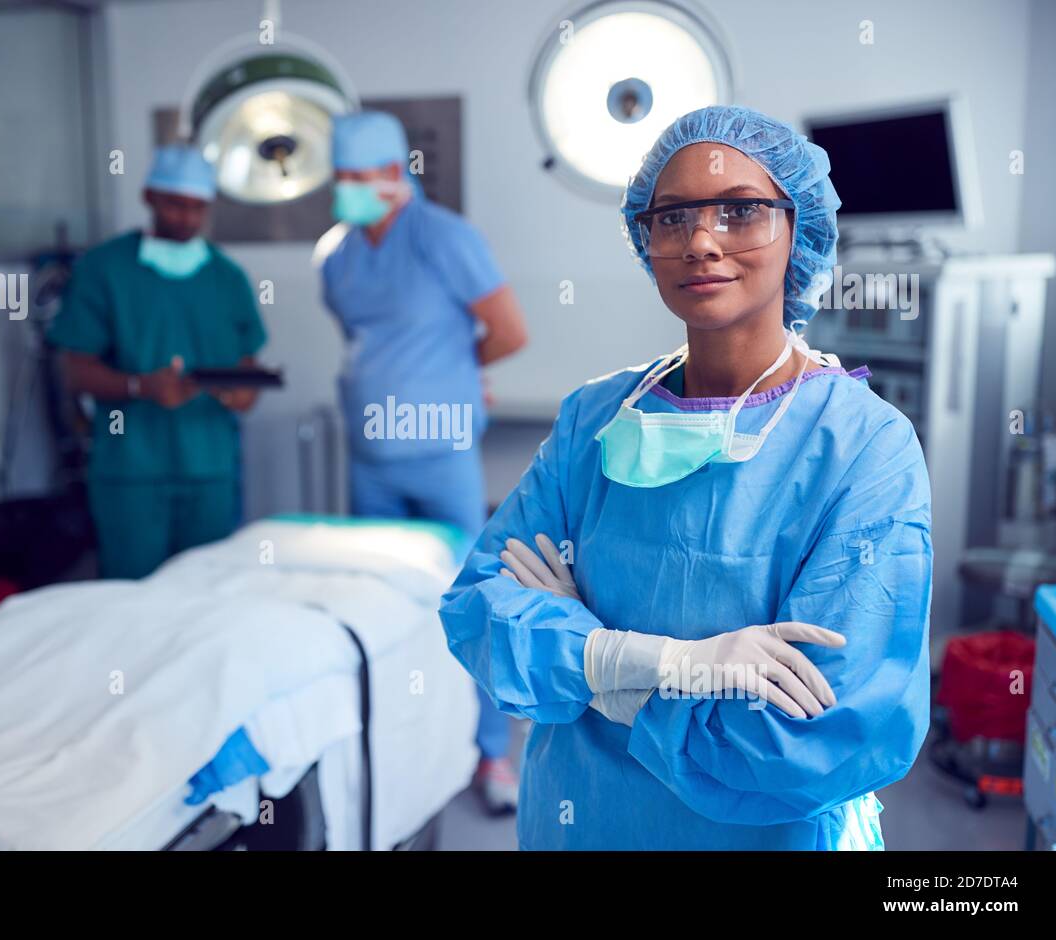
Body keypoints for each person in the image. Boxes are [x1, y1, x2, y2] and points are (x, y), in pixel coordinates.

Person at [439, 106, 932, 849]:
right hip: (578, 821)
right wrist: (678, 665)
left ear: (800, 228)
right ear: (646, 238)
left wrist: (596, 666)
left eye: (741, 210)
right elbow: (481, 609)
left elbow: (815, 739)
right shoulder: (594, 420)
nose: (702, 241)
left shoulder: (864, 448)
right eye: (672, 217)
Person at [317, 111, 530, 815]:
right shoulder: (336, 256)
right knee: (380, 605)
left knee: (468, 605)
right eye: (340, 177)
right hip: (370, 457)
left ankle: (490, 752)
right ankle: (406, 746)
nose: (349, 188)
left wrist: (455, 376)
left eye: (362, 176)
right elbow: (368, 346)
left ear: (394, 173)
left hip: (440, 454)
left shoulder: (443, 237)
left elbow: (508, 330)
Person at [49, 145, 267, 580]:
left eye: (197, 208)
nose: (186, 218)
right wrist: (140, 387)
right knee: (134, 601)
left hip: (210, 470)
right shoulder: (105, 269)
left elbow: (248, 369)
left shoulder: (227, 278)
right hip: (131, 471)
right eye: (175, 205)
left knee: (209, 594)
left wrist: (242, 393)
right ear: (149, 197)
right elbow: (75, 370)